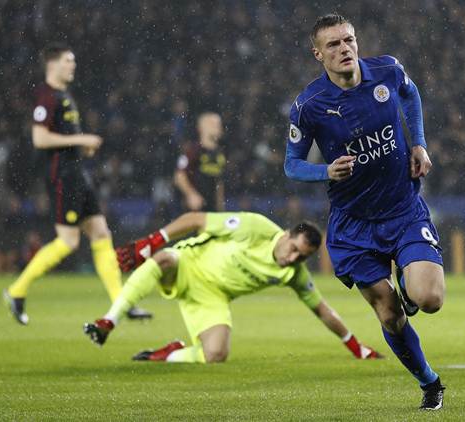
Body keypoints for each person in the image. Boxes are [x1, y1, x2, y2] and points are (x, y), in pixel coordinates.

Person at [283, 14, 445, 410]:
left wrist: (419, 143)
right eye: (334, 45)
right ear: (317, 53)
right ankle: (430, 383)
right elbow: (291, 164)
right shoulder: (309, 106)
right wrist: (326, 170)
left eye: (349, 40)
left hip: (403, 209)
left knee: (430, 298)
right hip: (353, 225)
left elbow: (412, 95)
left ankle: (408, 287)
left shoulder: (387, 71)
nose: (344, 49)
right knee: (389, 315)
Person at [83, 211, 382, 363]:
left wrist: (357, 348)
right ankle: (110, 320)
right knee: (163, 259)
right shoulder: (253, 226)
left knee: (215, 356)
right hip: (187, 264)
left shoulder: (294, 274)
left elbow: (322, 310)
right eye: (293, 249)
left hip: (211, 297)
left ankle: (167, 354)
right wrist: (154, 240)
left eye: (300, 257)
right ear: (287, 235)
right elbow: (195, 219)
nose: (292, 259)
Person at [3, 43, 150, 325]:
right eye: (68, 61)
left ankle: (121, 302)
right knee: (68, 241)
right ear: (53, 64)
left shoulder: (64, 95)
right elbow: (40, 139)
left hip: (77, 173)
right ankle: (16, 290)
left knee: (101, 234)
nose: (73, 65)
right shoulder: (46, 97)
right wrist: (80, 140)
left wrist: (82, 148)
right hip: (62, 176)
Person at [174, 112, 227, 212]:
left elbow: (219, 182)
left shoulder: (220, 153)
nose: (218, 127)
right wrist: (191, 194)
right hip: (194, 209)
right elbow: (179, 175)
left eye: (219, 124)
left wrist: (220, 207)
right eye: (213, 124)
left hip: (212, 210)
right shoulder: (193, 150)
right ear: (201, 128)